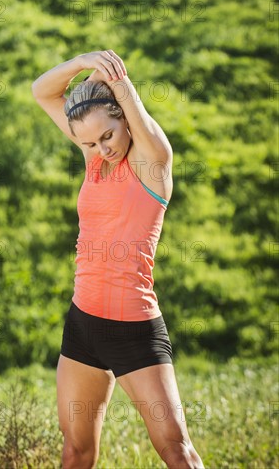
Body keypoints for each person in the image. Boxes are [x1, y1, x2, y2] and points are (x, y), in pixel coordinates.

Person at [31, 50, 204, 469]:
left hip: (134, 332)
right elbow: (42, 91)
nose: (100, 148)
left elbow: (146, 131)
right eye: (89, 141)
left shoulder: (152, 165)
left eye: (107, 136)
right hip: (83, 326)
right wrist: (80, 62)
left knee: (176, 450)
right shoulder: (93, 160)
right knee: (76, 451)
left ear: (124, 116)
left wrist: (121, 85)